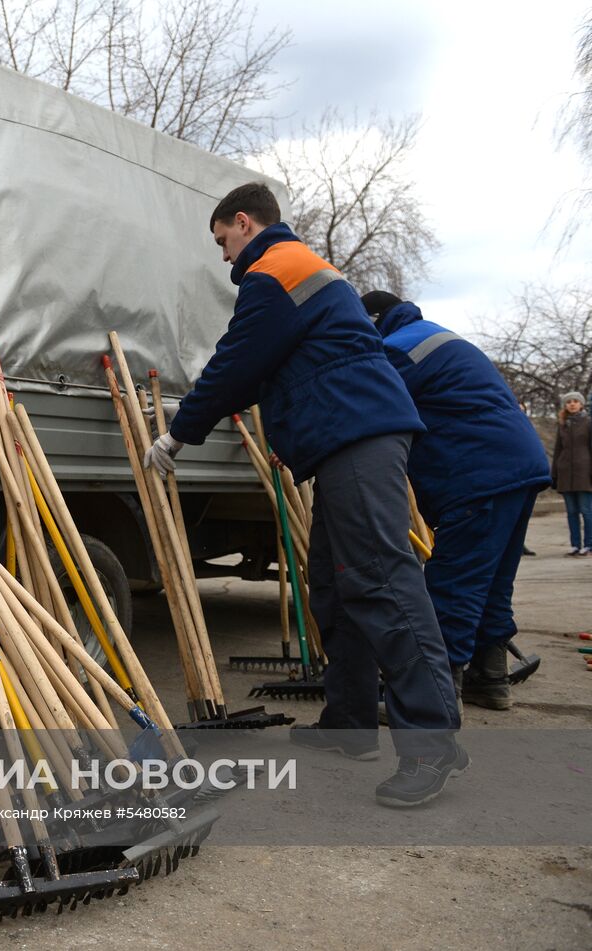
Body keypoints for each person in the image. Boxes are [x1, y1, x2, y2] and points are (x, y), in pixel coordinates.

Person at [143, 182, 464, 808]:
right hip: (351, 435)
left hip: (358, 437)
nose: (224, 257)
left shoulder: (274, 270)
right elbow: (264, 369)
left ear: (244, 223)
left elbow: (238, 361)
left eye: (223, 241)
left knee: (381, 581)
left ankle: (431, 742)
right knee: (337, 587)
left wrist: (180, 434)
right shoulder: (302, 271)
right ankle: (349, 724)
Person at [362, 291, 551, 711]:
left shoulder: (397, 350)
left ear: (374, 320)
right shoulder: (435, 336)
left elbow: (365, 407)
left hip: (481, 474)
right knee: (492, 582)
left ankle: (431, 701)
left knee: (453, 583)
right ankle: (491, 678)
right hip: (520, 466)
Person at [553, 392, 592, 556]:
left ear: (581, 404)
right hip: (565, 474)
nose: (572, 404)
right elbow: (557, 451)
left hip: (584, 473)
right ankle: (575, 544)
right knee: (571, 512)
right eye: (569, 402)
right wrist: (554, 474)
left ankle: (589, 544)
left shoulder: (589, 423)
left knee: (586, 510)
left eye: (575, 401)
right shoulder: (562, 424)